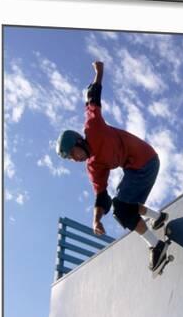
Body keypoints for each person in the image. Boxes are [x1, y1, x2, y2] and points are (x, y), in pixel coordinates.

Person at [56, 61, 169, 272]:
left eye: (74, 154)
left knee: (122, 209)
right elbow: (101, 196)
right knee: (122, 201)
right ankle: (159, 217)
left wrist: (98, 73)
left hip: (145, 160)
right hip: (136, 169)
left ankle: (157, 246)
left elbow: (93, 98)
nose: (75, 159)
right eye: (71, 159)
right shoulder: (93, 166)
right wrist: (95, 220)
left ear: (78, 142)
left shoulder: (93, 127)